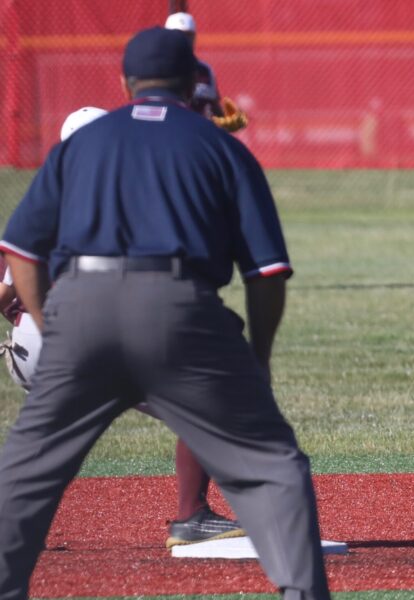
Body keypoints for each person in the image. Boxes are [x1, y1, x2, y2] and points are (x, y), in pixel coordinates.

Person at [0, 27, 329, 598]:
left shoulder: (81, 143)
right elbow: (268, 274)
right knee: (272, 467)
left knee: (26, 473)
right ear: (190, 83)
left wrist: (53, 326)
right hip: (182, 312)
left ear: (126, 83)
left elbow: (22, 252)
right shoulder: (220, 145)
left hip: (77, 311)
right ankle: (301, 589)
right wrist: (258, 359)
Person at [0, 105, 246, 550]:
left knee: (50, 435)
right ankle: (191, 516)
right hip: (99, 333)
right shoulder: (134, 191)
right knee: (208, 401)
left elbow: (10, 284)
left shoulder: (49, 193)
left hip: (37, 342)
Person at [164, 11, 247, 131]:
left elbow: (214, 108)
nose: (184, 40)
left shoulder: (205, 71)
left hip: (199, 136)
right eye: (178, 35)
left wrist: (227, 123)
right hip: (170, 134)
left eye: (188, 36)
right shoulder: (158, 71)